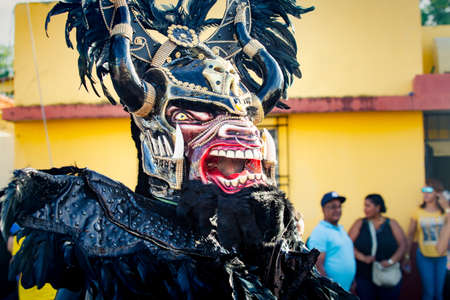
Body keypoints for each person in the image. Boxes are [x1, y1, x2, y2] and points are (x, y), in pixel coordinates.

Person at [348, 194, 406, 300]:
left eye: (368, 206)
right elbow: (348, 244)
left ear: (378, 207)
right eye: (364, 206)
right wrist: (363, 257)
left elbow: (402, 245)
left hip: (387, 274)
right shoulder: (360, 223)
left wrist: (390, 262)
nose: (365, 209)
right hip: (364, 275)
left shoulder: (391, 223)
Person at [405, 179, 450, 300]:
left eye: (429, 190)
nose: (425, 193)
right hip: (424, 256)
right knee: (429, 292)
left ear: (437, 193)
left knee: (439, 293)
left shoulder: (445, 212)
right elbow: (410, 235)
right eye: (423, 190)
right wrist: (407, 256)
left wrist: (446, 206)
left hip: (442, 256)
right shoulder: (417, 212)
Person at [307, 191, 356, 291]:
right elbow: (317, 265)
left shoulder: (340, 229)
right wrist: (329, 290)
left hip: (345, 290)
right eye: (333, 207)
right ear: (323, 209)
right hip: (332, 293)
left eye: (339, 206)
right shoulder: (320, 231)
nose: (337, 210)